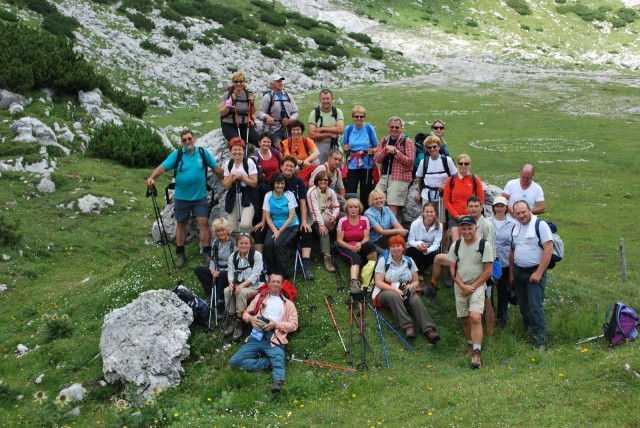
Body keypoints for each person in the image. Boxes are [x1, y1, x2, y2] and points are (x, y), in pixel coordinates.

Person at [145, 130, 219, 269]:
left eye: (189, 138)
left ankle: (207, 253)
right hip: (181, 197)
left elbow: (216, 169)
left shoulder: (203, 153)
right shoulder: (177, 154)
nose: (187, 141)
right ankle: (180, 255)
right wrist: (151, 178)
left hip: (199, 196)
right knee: (181, 223)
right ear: (182, 142)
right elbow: (162, 167)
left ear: (194, 139)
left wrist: (229, 178)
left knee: (203, 222)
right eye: (184, 140)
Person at [230, 273, 298, 395]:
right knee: (235, 362)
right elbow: (246, 314)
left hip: (274, 337)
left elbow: (294, 325)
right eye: (273, 281)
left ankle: (277, 383)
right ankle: (267, 364)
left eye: (278, 282)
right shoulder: (259, 298)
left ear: (282, 285)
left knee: (278, 357)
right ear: (268, 283)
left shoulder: (288, 304)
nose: (275, 284)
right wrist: (251, 319)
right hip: (257, 335)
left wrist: (276, 325)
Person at [372, 235, 441, 343]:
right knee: (393, 296)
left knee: (415, 299)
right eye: (392, 246)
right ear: (389, 249)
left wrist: (412, 285)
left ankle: (429, 330)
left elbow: (416, 280)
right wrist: (394, 289)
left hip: (404, 290)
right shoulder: (383, 260)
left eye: (398, 246)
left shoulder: (409, 261)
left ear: (403, 247)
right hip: (385, 291)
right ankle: (408, 327)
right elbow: (378, 282)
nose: (395, 249)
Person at [448, 216, 493, 369]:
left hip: (478, 285)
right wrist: (462, 286)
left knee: (475, 317)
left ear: (476, 228)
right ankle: (470, 344)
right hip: (460, 285)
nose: (467, 231)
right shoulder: (456, 245)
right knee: (465, 318)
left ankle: (476, 352)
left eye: (470, 228)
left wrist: (472, 287)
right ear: (460, 229)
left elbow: (488, 271)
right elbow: (452, 269)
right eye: (464, 228)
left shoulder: (483, 245)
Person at [509, 200, 553, 352]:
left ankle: (539, 341)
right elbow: (513, 250)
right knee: (523, 305)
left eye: (524, 212)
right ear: (514, 214)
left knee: (535, 307)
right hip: (519, 271)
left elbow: (548, 250)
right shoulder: (515, 227)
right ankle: (528, 331)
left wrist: (539, 272)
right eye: (518, 213)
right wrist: (511, 274)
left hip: (534, 272)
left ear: (530, 210)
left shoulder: (540, 225)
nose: (521, 215)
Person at [414, 135, 457, 250]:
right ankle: (427, 249)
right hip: (427, 195)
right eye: (429, 148)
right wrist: (419, 192)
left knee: (442, 224)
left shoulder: (446, 160)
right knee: (426, 222)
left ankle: (444, 250)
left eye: (434, 147)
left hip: (443, 196)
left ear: (439, 147)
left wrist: (445, 187)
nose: (432, 150)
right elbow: (420, 178)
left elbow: (454, 178)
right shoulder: (424, 162)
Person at [254, 174, 299, 280]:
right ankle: (272, 273)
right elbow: (268, 217)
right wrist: (275, 231)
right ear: (273, 184)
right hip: (274, 226)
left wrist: (280, 232)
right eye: (277, 183)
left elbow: (292, 216)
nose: (280, 185)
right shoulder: (268, 195)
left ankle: (283, 275)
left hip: (290, 226)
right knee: (268, 245)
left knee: (278, 244)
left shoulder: (289, 195)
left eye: (282, 183)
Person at [224, 233, 265, 342]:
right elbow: (230, 273)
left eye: (246, 243)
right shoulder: (233, 256)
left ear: (250, 244)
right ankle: (231, 319)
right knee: (227, 291)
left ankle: (239, 321)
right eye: (241, 243)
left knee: (241, 292)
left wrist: (241, 286)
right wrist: (231, 283)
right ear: (237, 244)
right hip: (238, 285)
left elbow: (255, 275)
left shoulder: (256, 255)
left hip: (254, 287)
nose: (244, 245)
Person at [466, 196, 497, 335]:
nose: (473, 209)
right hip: (469, 267)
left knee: (487, 298)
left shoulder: (486, 225)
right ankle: (472, 328)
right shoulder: (467, 224)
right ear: (467, 208)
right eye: (470, 206)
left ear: (481, 207)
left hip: (484, 267)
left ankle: (490, 328)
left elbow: (488, 249)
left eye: (476, 206)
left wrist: (485, 270)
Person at [194, 218, 235, 321]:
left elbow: (234, 264)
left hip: (228, 272)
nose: (220, 233)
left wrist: (219, 272)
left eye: (222, 230)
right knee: (199, 269)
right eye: (218, 231)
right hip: (217, 270)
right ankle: (210, 294)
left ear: (227, 230)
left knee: (222, 275)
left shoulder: (233, 243)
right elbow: (213, 259)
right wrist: (212, 270)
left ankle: (220, 302)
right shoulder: (215, 242)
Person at [374, 116, 415, 220]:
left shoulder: (407, 141)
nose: (394, 129)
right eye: (392, 127)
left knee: (392, 202)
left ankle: (391, 229)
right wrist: (385, 151)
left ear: (401, 128)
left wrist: (396, 152)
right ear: (388, 127)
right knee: (375, 198)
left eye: (397, 127)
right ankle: (380, 225)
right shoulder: (384, 140)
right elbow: (378, 159)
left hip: (400, 177)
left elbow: (410, 162)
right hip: (385, 176)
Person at [280, 155, 314, 279]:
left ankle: (305, 264)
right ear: (281, 167)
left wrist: (304, 221)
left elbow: (303, 203)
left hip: (296, 215)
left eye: (292, 166)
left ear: (295, 168)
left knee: (306, 230)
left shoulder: (298, 182)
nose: (289, 168)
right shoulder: (276, 180)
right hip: (281, 215)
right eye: (286, 166)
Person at [336, 198, 377, 294]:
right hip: (346, 246)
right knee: (356, 257)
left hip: (359, 243)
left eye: (356, 207)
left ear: (359, 208)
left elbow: (366, 237)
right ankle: (354, 283)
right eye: (351, 207)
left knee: (370, 245)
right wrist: (351, 248)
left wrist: (360, 244)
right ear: (347, 209)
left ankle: (374, 271)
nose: (353, 209)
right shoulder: (343, 221)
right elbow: (339, 241)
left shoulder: (364, 219)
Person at [488, 196, 517, 328]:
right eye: (497, 206)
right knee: (489, 290)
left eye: (502, 206)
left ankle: (502, 319)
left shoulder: (513, 224)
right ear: (493, 208)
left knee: (503, 291)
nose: (499, 208)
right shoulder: (487, 222)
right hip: (490, 261)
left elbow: (514, 244)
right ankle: (490, 316)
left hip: (505, 261)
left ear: (506, 208)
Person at [443, 153, 484, 244]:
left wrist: (472, 214)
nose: (463, 166)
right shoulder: (451, 180)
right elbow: (446, 199)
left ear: (470, 165)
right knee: (456, 244)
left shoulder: (475, 179)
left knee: (470, 243)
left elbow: (481, 199)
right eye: (461, 163)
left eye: (466, 163)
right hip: (455, 217)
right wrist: (456, 215)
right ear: (457, 165)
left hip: (471, 216)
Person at [342, 105, 378, 209]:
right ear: (353, 117)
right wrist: (345, 148)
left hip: (367, 165)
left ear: (364, 117)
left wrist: (372, 150)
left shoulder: (369, 129)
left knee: (365, 192)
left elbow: (376, 146)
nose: (359, 119)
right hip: (352, 165)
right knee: (350, 191)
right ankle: (350, 214)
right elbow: (344, 144)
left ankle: (365, 216)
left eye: (361, 117)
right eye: (356, 116)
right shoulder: (348, 129)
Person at [223, 137, 259, 234]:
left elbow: (254, 183)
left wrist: (242, 177)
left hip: (249, 196)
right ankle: (236, 247)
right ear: (230, 152)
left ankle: (248, 245)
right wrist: (232, 176)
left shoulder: (249, 162)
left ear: (243, 151)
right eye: (234, 149)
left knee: (245, 225)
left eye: (239, 149)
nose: (237, 152)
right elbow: (226, 186)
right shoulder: (228, 164)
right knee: (232, 227)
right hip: (233, 196)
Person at [306, 171, 340, 272]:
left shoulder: (330, 191)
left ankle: (340, 244)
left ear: (328, 181)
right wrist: (321, 225)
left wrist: (334, 217)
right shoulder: (312, 192)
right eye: (321, 179)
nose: (323, 181)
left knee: (345, 218)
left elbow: (336, 206)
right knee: (324, 231)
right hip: (314, 219)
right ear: (317, 180)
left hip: (327, 215)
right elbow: (314, 210)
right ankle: (327, 257)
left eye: (325, 180)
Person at [257, 74, 298, 149]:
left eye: (281, 81)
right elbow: (260, 113)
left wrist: (290, 120)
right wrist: (267, 116)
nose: (280, 83)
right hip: (275, 130)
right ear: (272, 84)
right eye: (278, 81)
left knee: (293, 148)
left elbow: (295, 112)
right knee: (279, 147)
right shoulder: (268, 97)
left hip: (290, 129)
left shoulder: (288, 96)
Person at [219, 71, 258, 148]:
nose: (238, 84)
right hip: (229, 126)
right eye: (236, 81)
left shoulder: (248, 95)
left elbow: (252, 112)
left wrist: (252, 102)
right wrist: (230, 101)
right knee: (238, 144)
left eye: (241, 81)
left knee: (259, 140)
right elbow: (222, 112)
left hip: (245, 125)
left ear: (244, 82)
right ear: (233, 83)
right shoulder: (227, 95)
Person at [364, 189, 407, 255]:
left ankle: (396, 250)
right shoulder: (368, 213)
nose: (379, 200)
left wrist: (399, 237)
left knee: (403, 236)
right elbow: (381, 231)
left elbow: (398, 226)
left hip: (386, 238)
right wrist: (398, 231)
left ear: (384, 199)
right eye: (376, 199)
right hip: (375, 241)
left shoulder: (387, 209)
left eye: (380, 198)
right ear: (371, 201)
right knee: (387, 255)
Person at [406, 202, 442, 280]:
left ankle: (425, 267)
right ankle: (419, 271)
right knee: (418, 252)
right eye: (427, 212)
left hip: (428, 247)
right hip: (414, 247)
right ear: (423, 212)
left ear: (435, 212)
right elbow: (410, 240)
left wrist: (427, 250)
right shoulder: (415, 223)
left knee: (435, 254)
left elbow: (436, 244)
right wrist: (419, 245)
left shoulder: (439, 225)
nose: (429, 214)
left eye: (431, 212)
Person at [307, 89, 345, 163]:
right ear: (320, 100)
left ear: (332, 99)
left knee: (338, 167)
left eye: (328, 99)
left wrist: (322, 129)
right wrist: (330, 134)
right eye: (323, 99)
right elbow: (312, 135)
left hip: (335, 144)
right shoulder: (314, 113)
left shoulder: (337, 112)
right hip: (319, 146)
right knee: (320, 170)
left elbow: (340, 129)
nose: (326, 101)